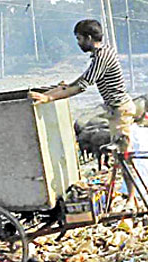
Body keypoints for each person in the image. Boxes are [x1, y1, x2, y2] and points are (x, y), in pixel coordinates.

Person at [29, 20, 138, 204]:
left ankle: (133, 200)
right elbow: (84, 78)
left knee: (124, 157)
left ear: (88, 38)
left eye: (79, 39)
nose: (78, 43)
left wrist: (48, 98)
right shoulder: (102, 53)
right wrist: (62, 88)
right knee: (120, 157)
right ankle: (126, 197)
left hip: (120, 112)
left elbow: (83, 85)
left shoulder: (102, 57)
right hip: (117, 111)